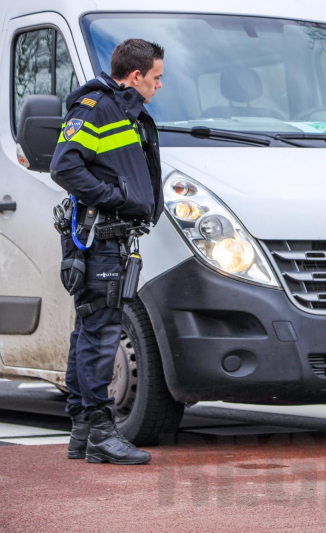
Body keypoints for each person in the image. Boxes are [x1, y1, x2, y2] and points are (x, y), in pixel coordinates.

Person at [51, 39, 165, 465]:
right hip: (98, 239)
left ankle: (84, 430)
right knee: (100, 335)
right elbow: (65, 165)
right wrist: (112, 198)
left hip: (109, 238)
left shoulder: (122, 111)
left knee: (90, 330)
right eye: (155, 79)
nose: (158, 87)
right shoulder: (97, 107)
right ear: (135, 76)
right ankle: (100, 431)